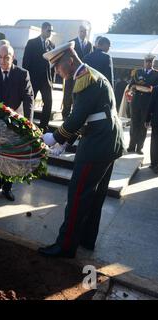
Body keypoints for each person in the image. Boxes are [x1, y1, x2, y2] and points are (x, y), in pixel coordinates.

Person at [39, 42, 124, 258]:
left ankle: (65, 246)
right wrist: (66, 142)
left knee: (78, 194)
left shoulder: (85, 78)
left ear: (69, 59)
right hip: (107, 141)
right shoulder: (89, 76)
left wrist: (55, 137)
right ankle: (86, 239)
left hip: (97, 145)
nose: (57, 72)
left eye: (58, 66)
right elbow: (88, 115)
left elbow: (77, 117)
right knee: (94, 195)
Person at [0, 45, 34, 202]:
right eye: (0, 57)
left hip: (14, 125)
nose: (3, 61)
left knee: (11, 158)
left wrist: (27, 124)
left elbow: (29, 99)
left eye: (6, 57)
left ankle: (8, 188)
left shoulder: (22, 74)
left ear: (13, 57)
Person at [22, 22, 55, 132]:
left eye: (51, 31)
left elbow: (53, 64)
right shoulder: (32, 43)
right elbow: (26, 61)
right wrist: (25, 78)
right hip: (33, 79)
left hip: (46, 80)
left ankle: (43, 126)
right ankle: (27, 124)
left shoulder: (52, 45)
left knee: (49, 102)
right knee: (29, 101)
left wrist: (52, 80)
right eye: (48, 30)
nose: (50, 33)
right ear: (43, 30)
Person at [127, 54, 158, 155]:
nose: (148, 63)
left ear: (153, 63)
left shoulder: (156, 74)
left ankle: (139, 148)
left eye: (150, 62)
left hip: (147, 103)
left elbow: (154, 89)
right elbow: (131, 84)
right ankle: (131, 146)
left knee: (143, 125)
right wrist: (132, 87)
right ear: (144, 62)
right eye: (146, 61)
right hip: (136, 101)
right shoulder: (137, 72)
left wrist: (144, 87)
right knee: (134, 124)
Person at [62, 25, 94, 120]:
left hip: (83, 74)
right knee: (68, 93)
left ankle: (75, 114)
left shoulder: (89, 45)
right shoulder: (72, 43)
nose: (83, 33)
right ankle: (65, 114)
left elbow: (90, 59)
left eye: (85, 31)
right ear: (78, 32)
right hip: (71, 73)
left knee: (79, 94)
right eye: (81, 31)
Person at [147, 86, 158, 174]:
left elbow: (151, 104)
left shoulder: (156, 88)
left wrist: (147, 119)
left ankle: (154, 163)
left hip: (156, 120)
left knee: (155, 143)